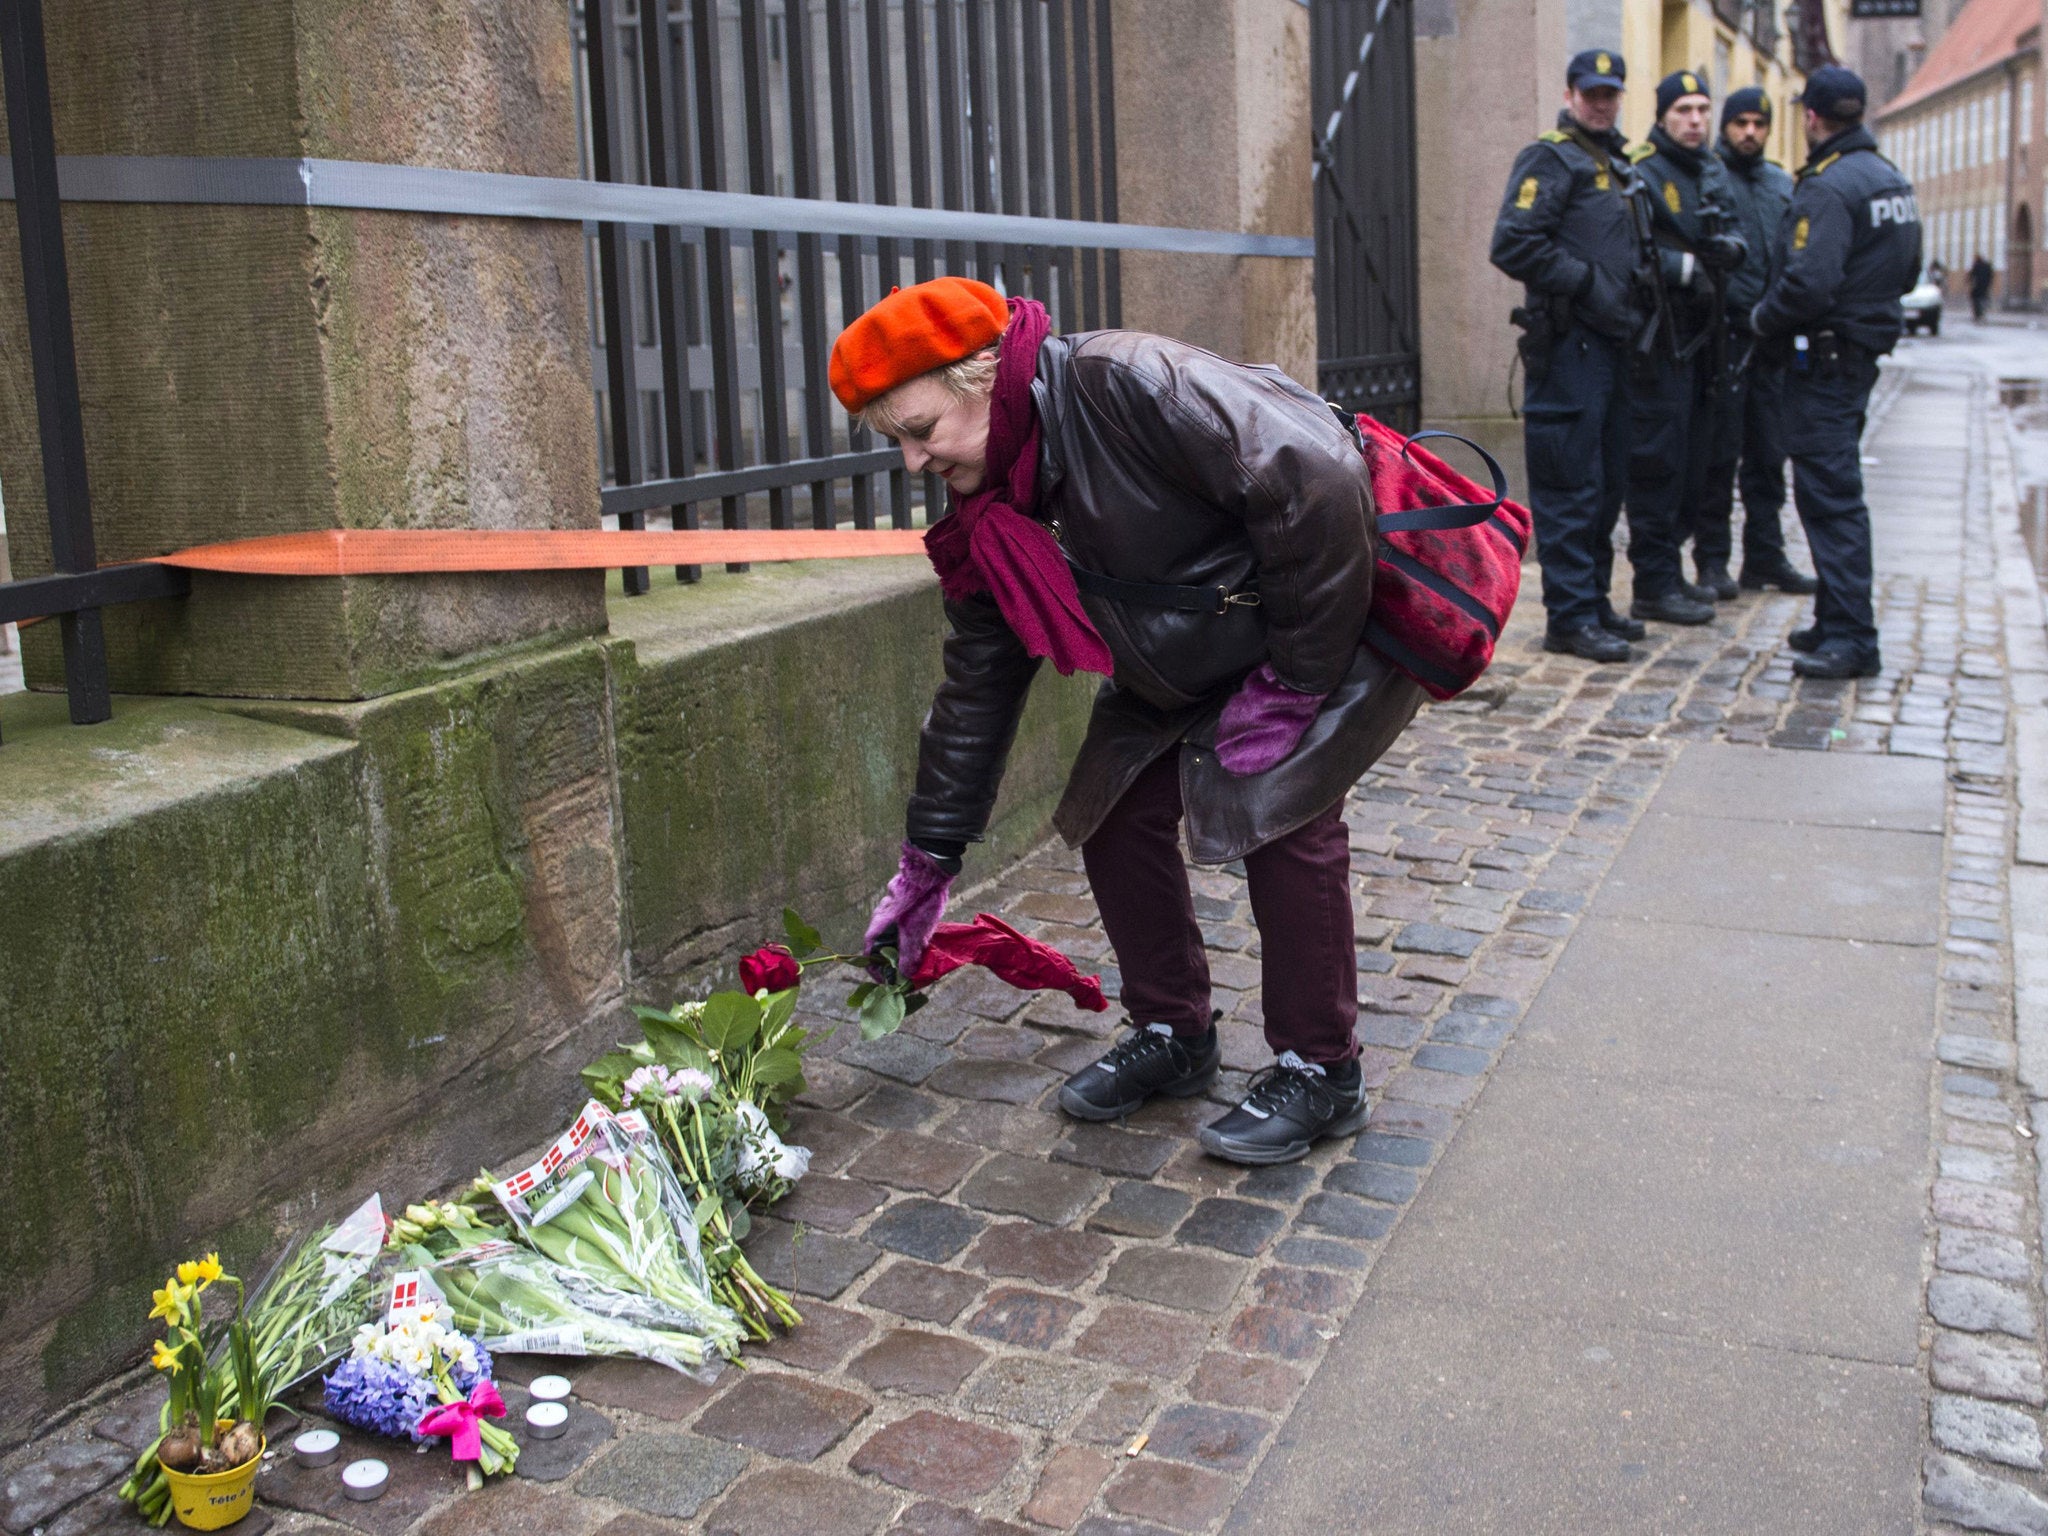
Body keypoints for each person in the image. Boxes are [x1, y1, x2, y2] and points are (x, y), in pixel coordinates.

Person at [838, 276, 1425, 1165]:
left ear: (984, 377)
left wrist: (1295, 682)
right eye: (897, 444)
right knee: (1111, 819)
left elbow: (1319, 479)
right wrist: (932, 858)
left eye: (920, 432)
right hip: (1176, 655)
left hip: (1307, 629)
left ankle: (1321, 1070)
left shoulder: (1131, 383)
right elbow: (979, 684)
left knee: (1283, 824)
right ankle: (1175, 1031)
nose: (915, 463)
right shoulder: (992, 505)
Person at [1751, 65, 1921, 679]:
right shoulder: (1888, 179)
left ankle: (1852, 636)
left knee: (1830, 498)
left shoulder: (1829, 186)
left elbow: (1809, 282)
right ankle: (1834, 615)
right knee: (1833, 488)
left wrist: (1760, 320)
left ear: (1813, 118)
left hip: (1823, 361)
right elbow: (1907, 272)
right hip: (1858, 356)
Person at [1490, 48, 1660, 663]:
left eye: (1610, 92)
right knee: (1569, 486)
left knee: (1608, 482)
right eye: (1591, 93)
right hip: (1569, 350)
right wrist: (1589, 283)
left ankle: (1592, 601)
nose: (1601, 102)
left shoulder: (1619, 163)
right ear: (1569, 95)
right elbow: (1513, 243)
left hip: (1613, 348)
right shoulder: (1550, 158)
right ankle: (1568, 616)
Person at [1626, 70, 1747, 613]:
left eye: (1702, 109)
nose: (1696, 120)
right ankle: (1654, 581)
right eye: (1683, 110)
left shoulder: (1712, 171)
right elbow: (1632, 250)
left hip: (1707, 339)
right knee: (1659, 463)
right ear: (1663, 116)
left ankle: (1672, 571)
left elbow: (1732, 229)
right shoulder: (1644, 173)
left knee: (1700, 461)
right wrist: (1689, 265)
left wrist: (1731, 250)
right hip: (1663, 340)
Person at [1693, 86, 1818, 597]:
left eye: (1758, 124)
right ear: (1726, 126)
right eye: (1740, 122)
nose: (1749, 132)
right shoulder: (1708, 175)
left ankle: (1764, 556)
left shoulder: (1779, 183)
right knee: (1718, 458)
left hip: (1773, 340)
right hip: (1722, 336)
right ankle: (1712, 560)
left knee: (1769, 456)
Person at [1970, 252, 1994, 320]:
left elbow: (1972, 275)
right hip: (1985, 286)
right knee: (1984, 299)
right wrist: (1989, 283)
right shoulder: (1987, 265)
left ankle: (1978, 314)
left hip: (1977, 286)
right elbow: (1991, 275)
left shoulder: (1976, 265)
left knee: (1976, 300)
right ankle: (1983, 312)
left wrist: (1968, 281)